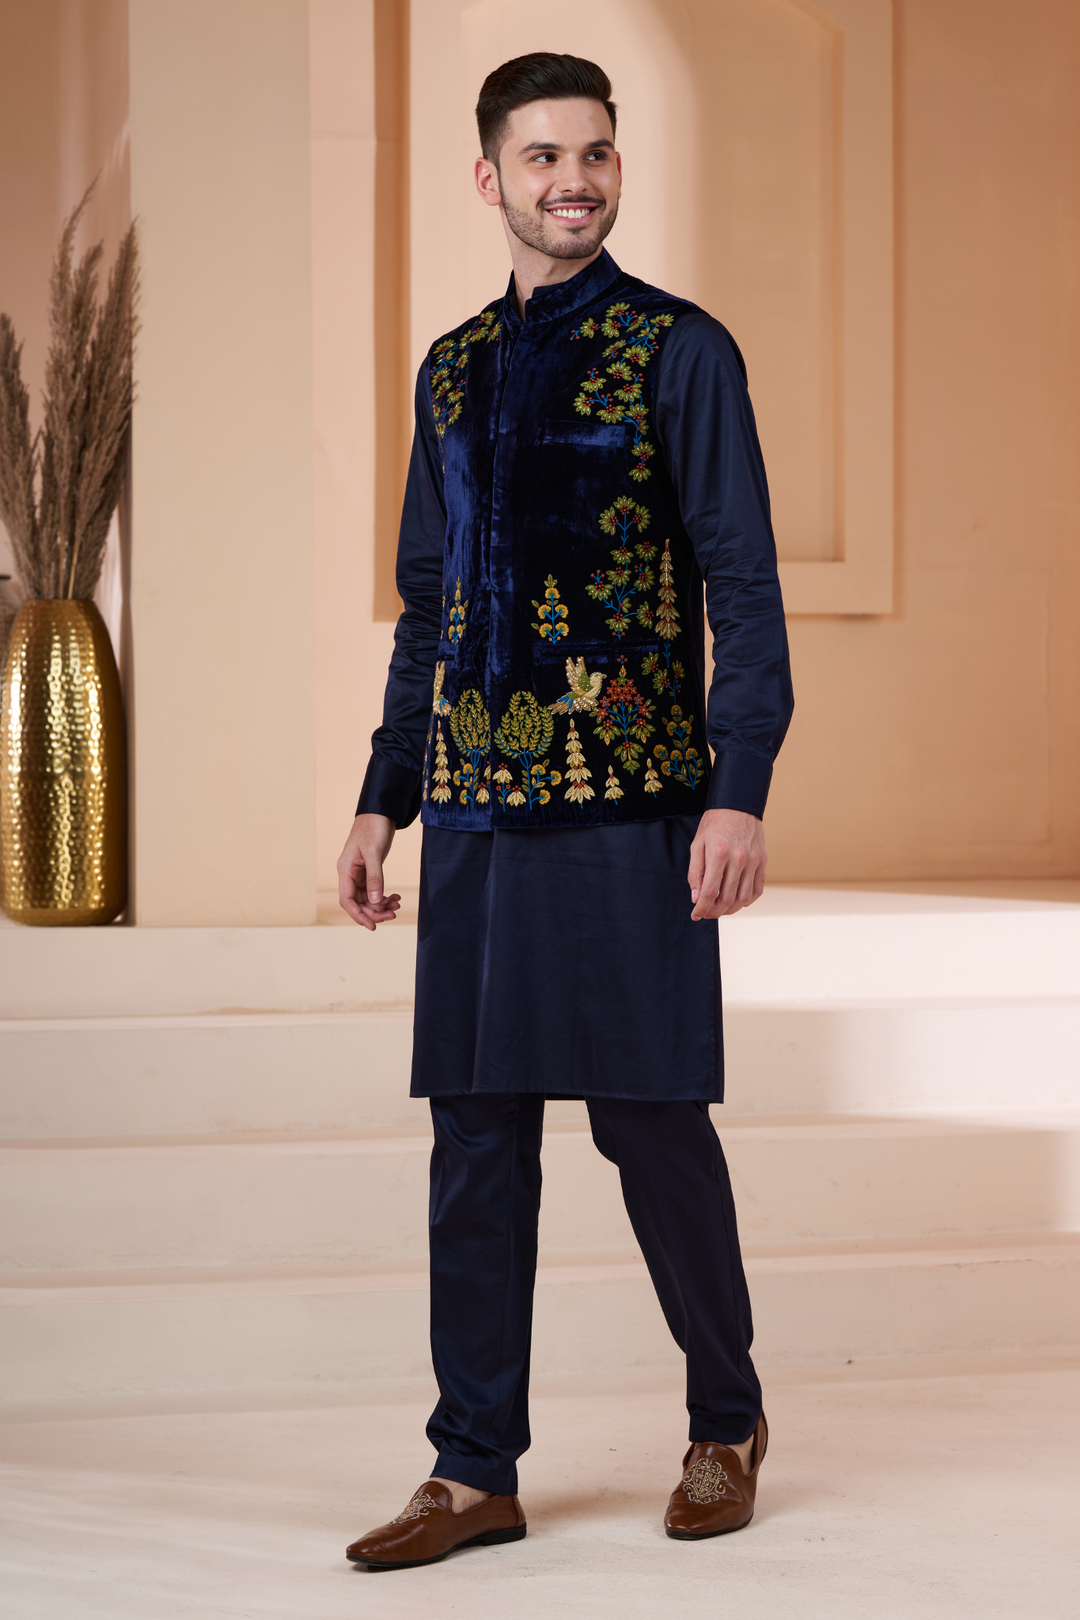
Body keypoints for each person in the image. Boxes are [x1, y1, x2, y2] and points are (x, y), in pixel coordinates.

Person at [338, 51, 793, 1572]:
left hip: (633, 811)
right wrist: (384, 797)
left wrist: (738, 789)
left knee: (652, 1125)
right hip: (475, 811)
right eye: (543, 157)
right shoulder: (451, 370)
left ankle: (726, 1420)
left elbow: (742, 585)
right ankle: (473, 1468)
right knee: (475, 1144)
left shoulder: (681, 351)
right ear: (492, 178)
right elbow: (428, 605)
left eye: (594, 153)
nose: (573, 181)